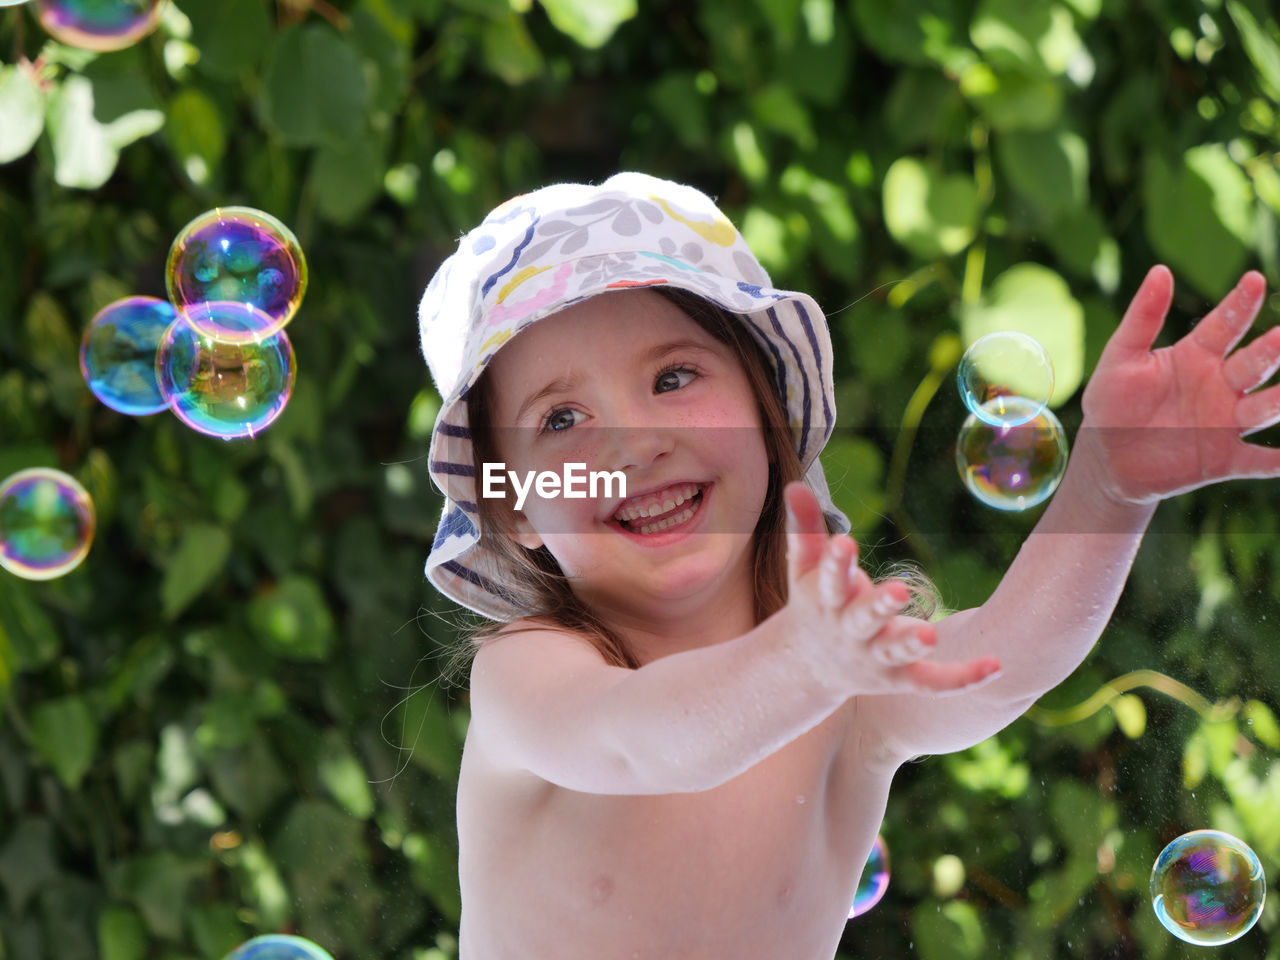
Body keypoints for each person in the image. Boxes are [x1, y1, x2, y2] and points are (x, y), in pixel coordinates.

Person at [417, 172, 1277, 959]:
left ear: (767, 416)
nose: (636, 441)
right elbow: (643, 743)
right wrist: (803, 664)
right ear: (509, 507)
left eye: (674, 377)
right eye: (561, 421)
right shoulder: (530, 673)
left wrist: (1110, 486)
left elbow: (1006, 663)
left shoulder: (842, 671)